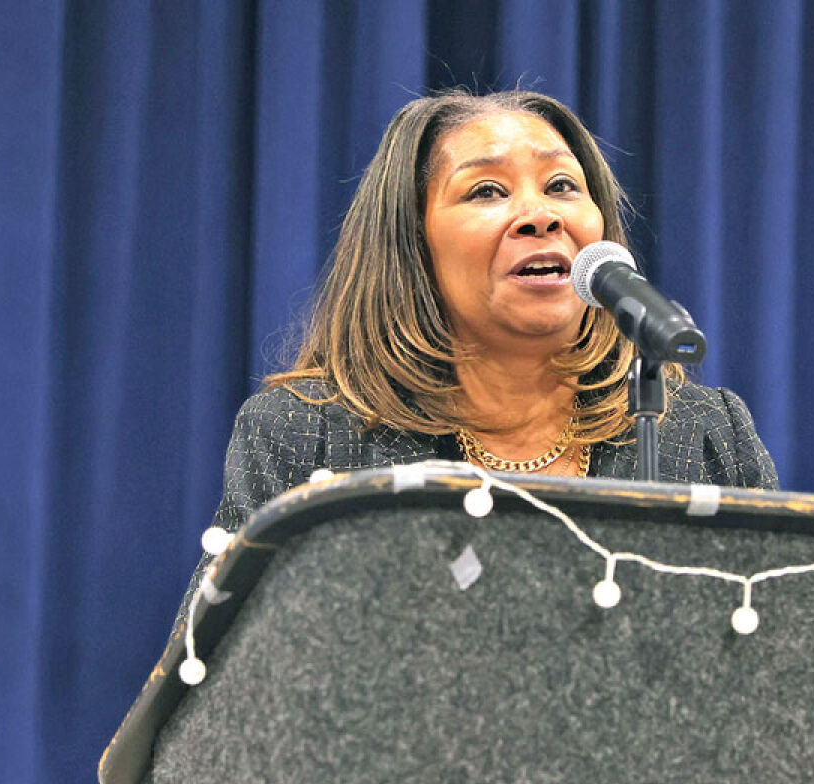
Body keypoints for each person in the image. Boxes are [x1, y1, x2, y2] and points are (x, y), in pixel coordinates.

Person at [211, 89, 779, 537]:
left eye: (561, 185)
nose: (538, 215)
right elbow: (220, 668)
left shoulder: (703, 433)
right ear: (412, 241)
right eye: (486, 191)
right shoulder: (307, 436)